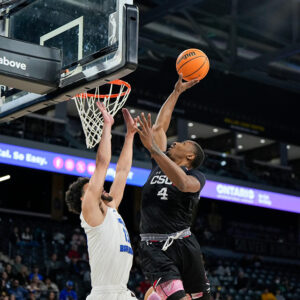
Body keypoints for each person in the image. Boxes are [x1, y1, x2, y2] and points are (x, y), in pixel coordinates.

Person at [134, 74, 210, 300]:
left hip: (185, 244)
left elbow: (183, 184)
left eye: (183, 143)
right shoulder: (158, 164)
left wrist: (155, 150)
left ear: (190, 156)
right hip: (154, 247)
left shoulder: (196, 175)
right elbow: (159, 127)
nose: (175, 142)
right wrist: (176, 92)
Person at [65, 104, 138, 300]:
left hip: (123, 292)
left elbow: (122, 171)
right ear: (84, 198)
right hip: (104, 294)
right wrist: (107, 125)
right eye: (93, 187)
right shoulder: (90, 213)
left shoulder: (111, 207)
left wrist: (130, 135)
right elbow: (102, 164)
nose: (101, 187)